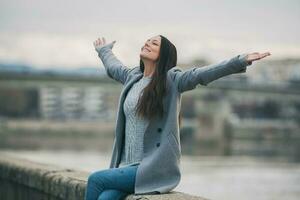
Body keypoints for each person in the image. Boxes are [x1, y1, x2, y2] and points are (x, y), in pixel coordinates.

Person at [84, 35, 271, 200]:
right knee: (105, 197)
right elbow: (114, 67)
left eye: (154, 43)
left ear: (164, 54)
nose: (147, 44)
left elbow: (203, 74)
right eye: (147, 41)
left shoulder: (172, 81)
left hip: (147, 169)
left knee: (95, 180)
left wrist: (240, 61)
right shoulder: (132, 77)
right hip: (124, 166)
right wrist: (104, 51)